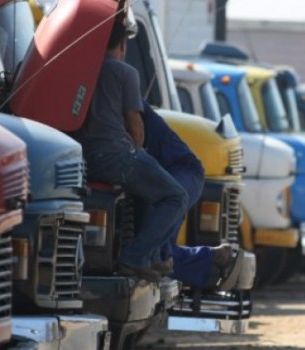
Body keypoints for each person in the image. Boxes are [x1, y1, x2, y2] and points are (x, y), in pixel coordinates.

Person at [75, 21, 188, 282]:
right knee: (175, 197)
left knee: (149, 190)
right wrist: (139, 152)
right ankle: (136, 257)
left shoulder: (84, 71)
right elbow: (135, 122)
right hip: (117, 157)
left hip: (86, 159)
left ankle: (153, 259)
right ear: (123, 45)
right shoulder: (126, 73)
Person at [141, 100, 243, 290]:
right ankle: (211, 259)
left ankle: (210, 260)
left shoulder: (120, 83)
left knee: (155, 254)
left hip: (179, 171)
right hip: (170, 172)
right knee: (154, 252)